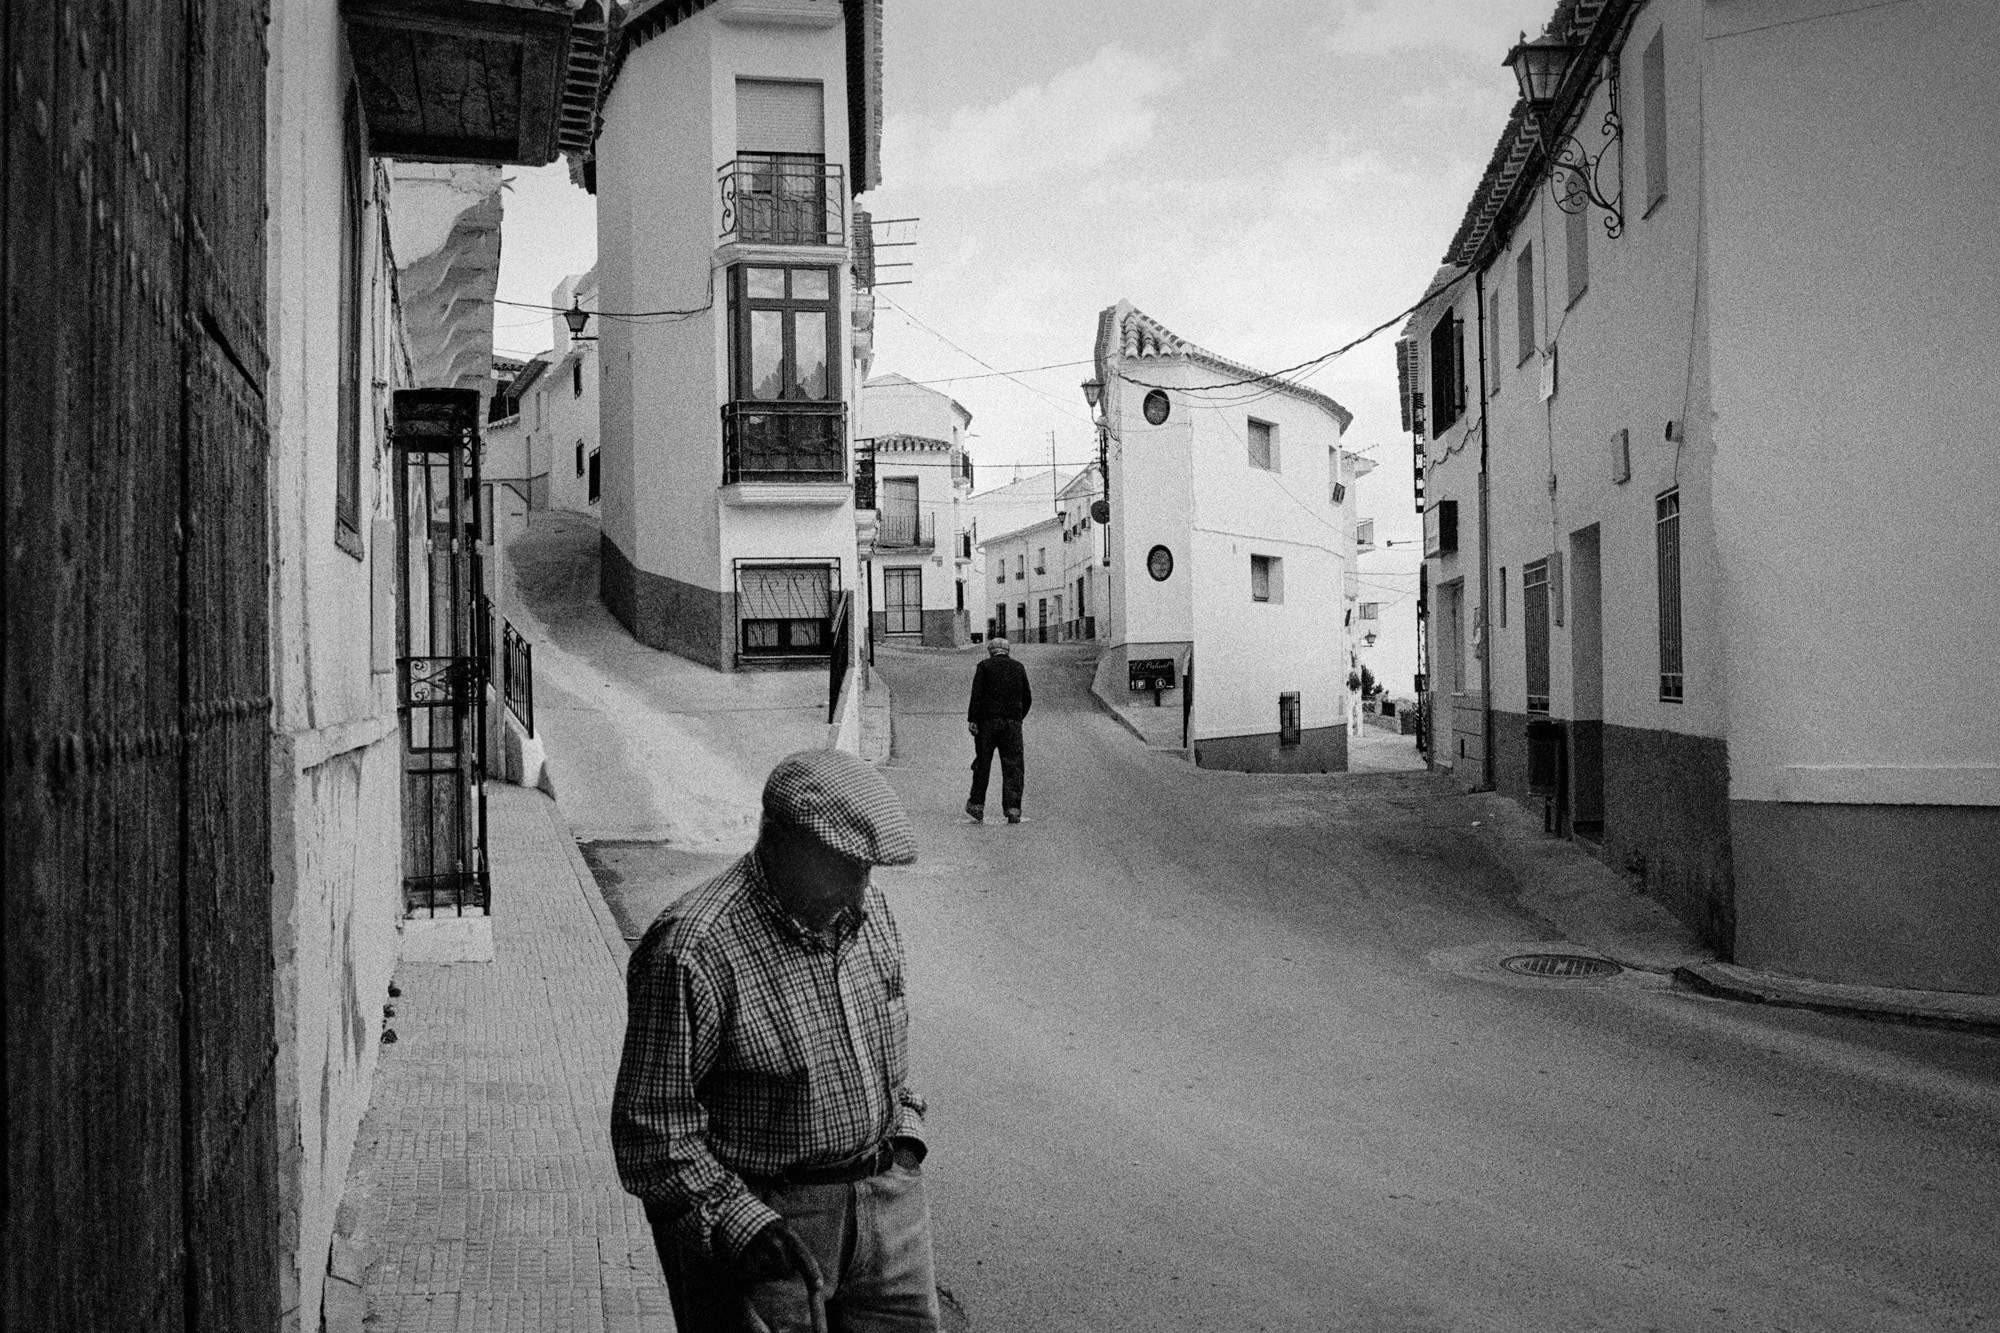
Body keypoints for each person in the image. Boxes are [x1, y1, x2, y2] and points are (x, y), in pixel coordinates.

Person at [613, 748, 939, 1333]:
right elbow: (652, 1131)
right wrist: (739, 1223)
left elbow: (892, 1055)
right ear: (783, 842)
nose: (861, 891)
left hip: (889, 1208)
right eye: (845, 866)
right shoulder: (692, 949)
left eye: (869, 870)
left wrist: (906, 1143)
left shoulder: (870, 915)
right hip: (768, 1226)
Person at [965, 637, 1031, 823]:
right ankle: (1013, 809)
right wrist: (1016, 718)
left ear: (991, 651)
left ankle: (976, 805)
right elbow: (1027, 697)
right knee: (1013, 766)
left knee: (982, 764)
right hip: (1012, 724)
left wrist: (973, 720)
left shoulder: (984, 667)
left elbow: (976, 695)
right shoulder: (1018, 667)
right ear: (1008, 651)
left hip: (987, 723)